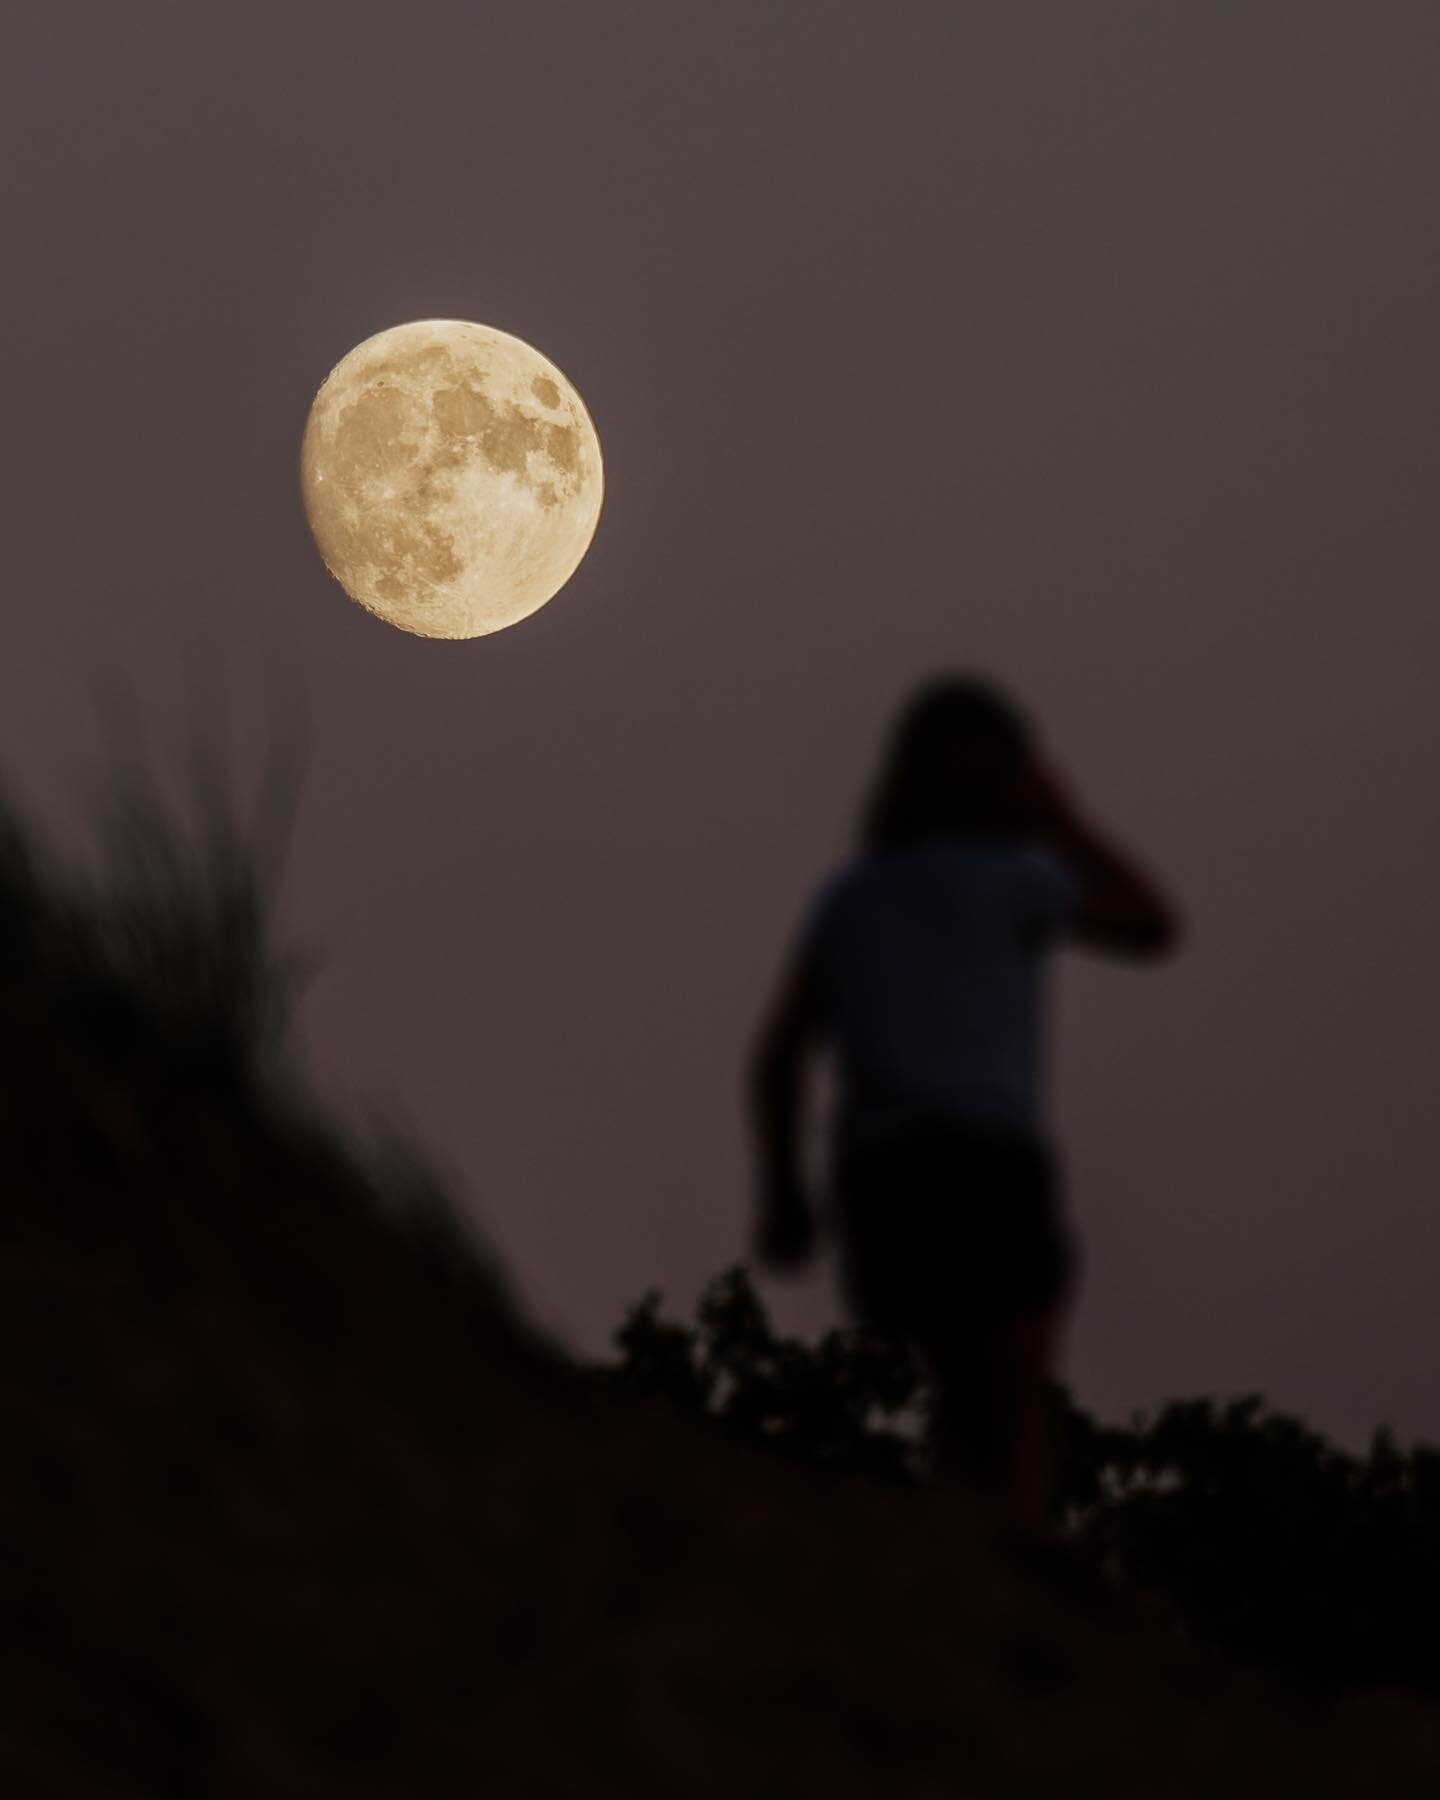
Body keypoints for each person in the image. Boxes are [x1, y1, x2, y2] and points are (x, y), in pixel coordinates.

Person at [746, 677, 1182, 1534]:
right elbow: (1150, 924)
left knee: (958, 1393)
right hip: (984, 1159)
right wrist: (1067, 820)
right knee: (1013, 1396)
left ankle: (960, 1568)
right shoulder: (1017, 879)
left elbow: (780, 1057)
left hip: (881, 1174)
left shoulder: (854, 896)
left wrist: (787, 1193)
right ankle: (1012, 1574)